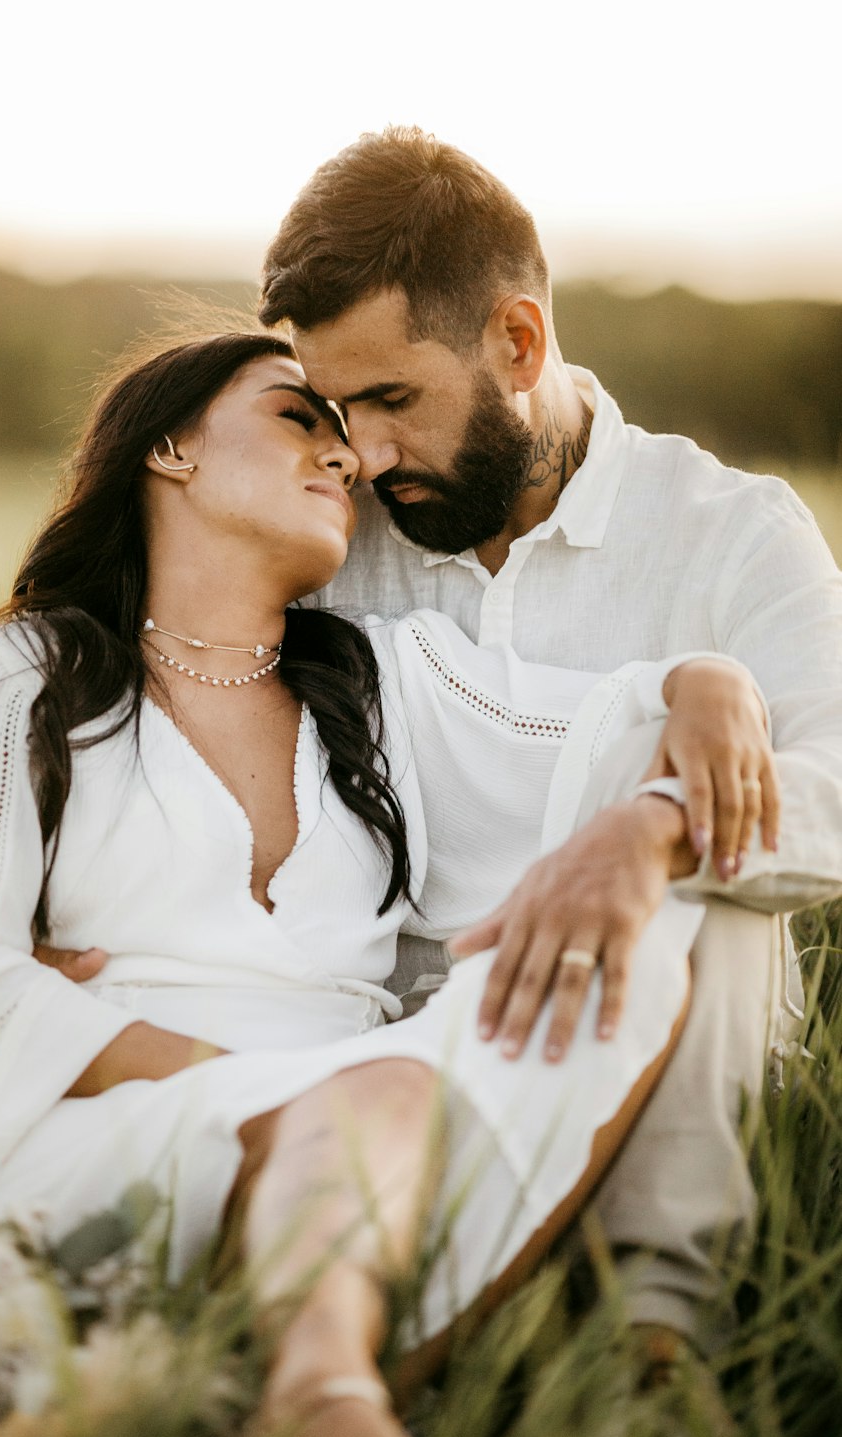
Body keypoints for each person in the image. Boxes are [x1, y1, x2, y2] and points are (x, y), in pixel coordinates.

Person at [0, 331, 790, 1437]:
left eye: (344, 440)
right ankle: (323, 1407)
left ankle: (351, 1336)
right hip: (98, 1136)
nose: (342, 461)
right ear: (173, 448)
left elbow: (601, 733)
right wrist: (266, 1087)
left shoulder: (374, 682)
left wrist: (712, 685)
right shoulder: (37, 673)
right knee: (376, 1096)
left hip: (365, 1139)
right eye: (300, 417)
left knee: (648, 900)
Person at [255, 126, 842, 1361]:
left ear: (516, 342)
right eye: (332, 407)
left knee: (714, 846)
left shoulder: (732, 532)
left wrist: (655, 829)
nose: (357, 454)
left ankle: (657, 1350)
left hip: (677, 1055)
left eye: (391, 401)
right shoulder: (328, 540)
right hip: (405, 1058)